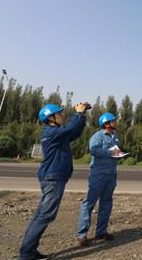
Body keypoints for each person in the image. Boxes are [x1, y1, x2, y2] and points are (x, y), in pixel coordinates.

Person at [18, 102, 88, 260]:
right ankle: (26, 255)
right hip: (53, 179)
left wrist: (82, 116)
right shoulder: (49, 133)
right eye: (60, 114)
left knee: (40, 216)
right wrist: (77, 113)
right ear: (50, 118)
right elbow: (69, 128)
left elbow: (74, 133)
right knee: (45, 217)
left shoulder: (57, 134)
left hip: (53, 178)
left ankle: (29, 251)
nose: (63, 115)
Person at [76, 112, 124, 246]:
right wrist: (111, 153)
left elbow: (114, 152)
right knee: (89, 203)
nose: (116, 122)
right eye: (114, 121)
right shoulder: (97, 136)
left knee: (106, 202)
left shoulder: (116, 138)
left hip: (111, 174)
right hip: (98, 174)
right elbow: (94, 150)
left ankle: (101, 231)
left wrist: (119, 154)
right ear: (106, 123)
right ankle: (82, 234)